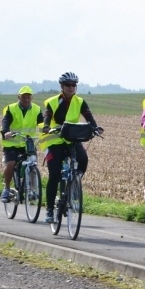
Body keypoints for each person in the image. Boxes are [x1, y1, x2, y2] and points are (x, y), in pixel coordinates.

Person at [40, 72, 104, 224]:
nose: (71, 87)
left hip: (71, 137)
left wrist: (95, 128)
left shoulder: (80, 101)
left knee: (83, 159)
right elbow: (47, 115)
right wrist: (47, 126)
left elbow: (89, 116)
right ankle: (49, 209)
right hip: (54, 138)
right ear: (62, 86)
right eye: (68, 85)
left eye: (73, 85)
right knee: (54, 174)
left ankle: (74, 183)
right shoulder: (53, 101)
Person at [0, 86, 44, 202]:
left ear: (32, 98)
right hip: (12, 142)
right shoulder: (11, 108)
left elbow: (42, 123)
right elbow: (5, 121)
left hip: (27, 142)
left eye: (28, 97)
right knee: (11, 163)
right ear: (19, 97)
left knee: (33, 163)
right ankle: (7, 189)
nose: (26, 100)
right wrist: (6, 132)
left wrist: (46, 130)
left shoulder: (36, 109)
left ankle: (33, 190)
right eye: (24, 97)